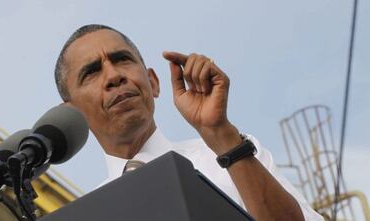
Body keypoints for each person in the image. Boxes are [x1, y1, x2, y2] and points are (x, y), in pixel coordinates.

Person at [54, 24, 323, 221]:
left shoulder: (233, 156)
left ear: (154, 82)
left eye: (122, 59)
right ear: (72, 115)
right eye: (92, 72)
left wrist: (221, 135)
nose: (114, 76)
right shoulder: (88, 214)